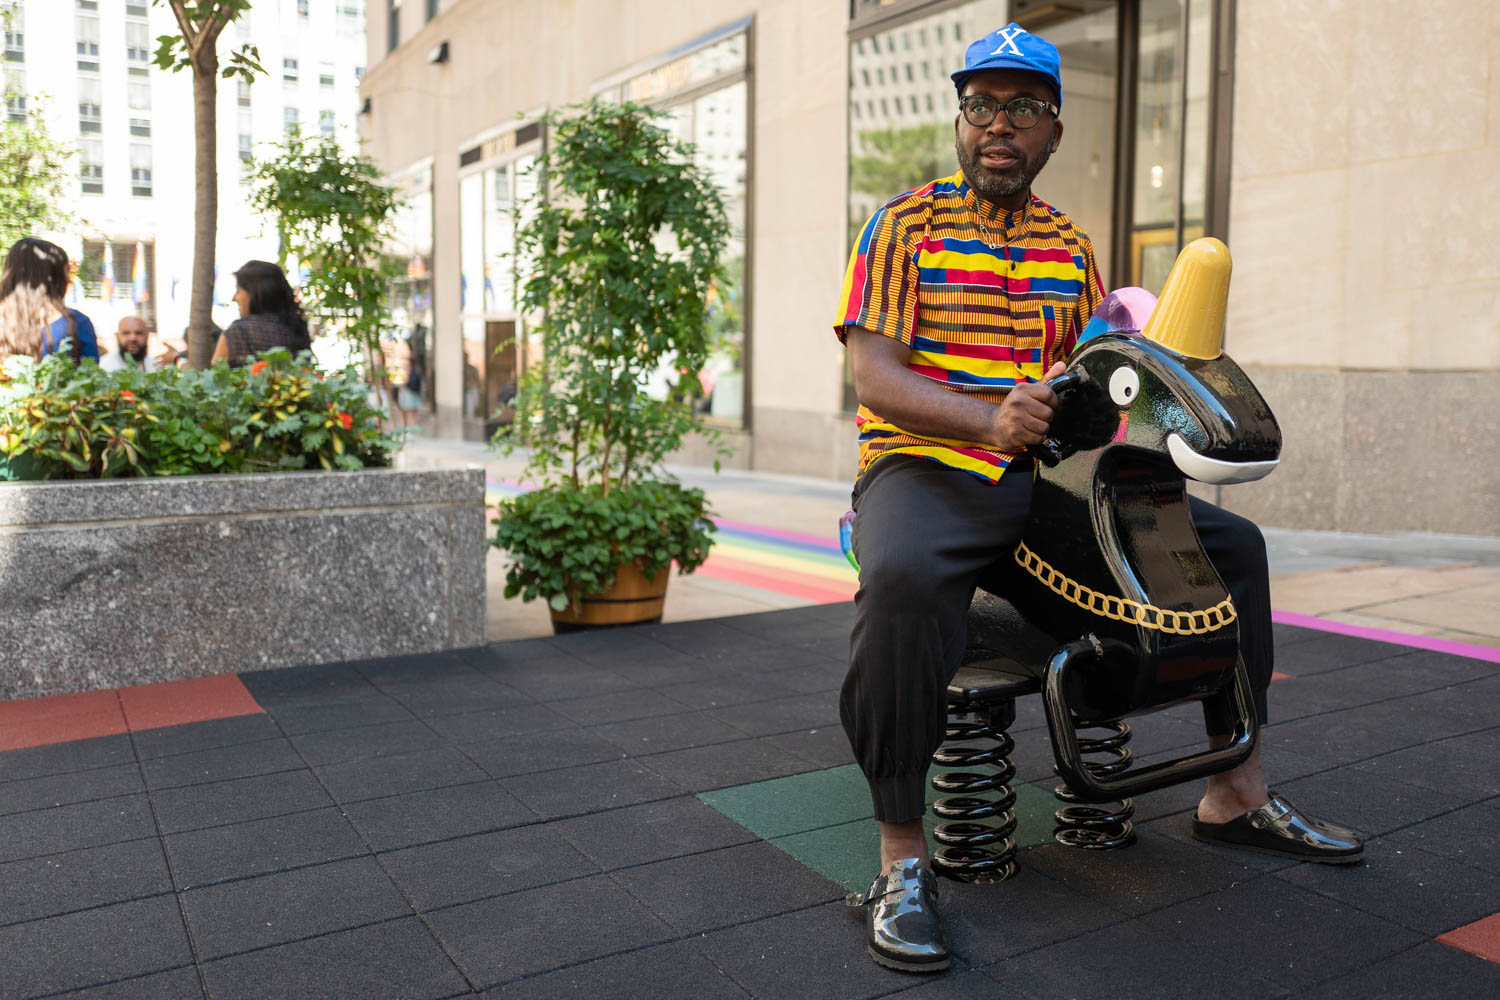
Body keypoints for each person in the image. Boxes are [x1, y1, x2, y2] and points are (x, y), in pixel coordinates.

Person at [834, 24, 1363, 975]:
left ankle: (1233, 791)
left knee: (1231, 550)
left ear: (1054, 131)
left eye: (1024, 108)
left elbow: (1078, 386)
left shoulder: (1071, 246)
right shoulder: (900, 226)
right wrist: (985, 418)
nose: (1001, 125)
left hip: (1041, 482)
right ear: (961, 120)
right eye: (983, 105)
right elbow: (873, 375)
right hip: (925, 469)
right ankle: (902, 859)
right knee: (904, 578)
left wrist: (1124, 395)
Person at [0, 238, 99, 362]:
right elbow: (90, 376)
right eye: (67, 272)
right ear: (54, 277)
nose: (69, 280)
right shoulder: (77, 323)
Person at [212, 260, 311, 366]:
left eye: (238, 291)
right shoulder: (294, 329)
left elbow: (213, 375)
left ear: (254, 293)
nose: (234, 298)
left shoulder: (237, 333)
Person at [100, 315, 166, 372]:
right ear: (117, 336)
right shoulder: (104, 366)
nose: (132, 338)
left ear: (147, 335)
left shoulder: (155, 367)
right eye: (126, 333)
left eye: (138, 333)